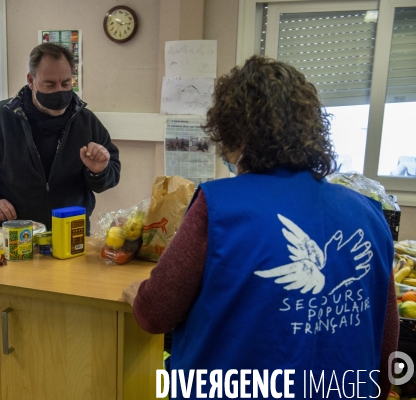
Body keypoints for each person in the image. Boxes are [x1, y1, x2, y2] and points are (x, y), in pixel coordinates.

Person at [122, 56, 397, 398]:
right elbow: (386, 352)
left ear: (234, 133)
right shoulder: (369, 215)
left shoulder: (220, 206)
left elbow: (155, 312)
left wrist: (138, 296)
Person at [0, 43, 120, 233]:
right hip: (16, 233)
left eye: (65, 83)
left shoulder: (86, 122)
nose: (60, 91)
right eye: (49, 85)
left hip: (72, 232)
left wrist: (99, 171)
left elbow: (111, 176)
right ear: (31, 80)